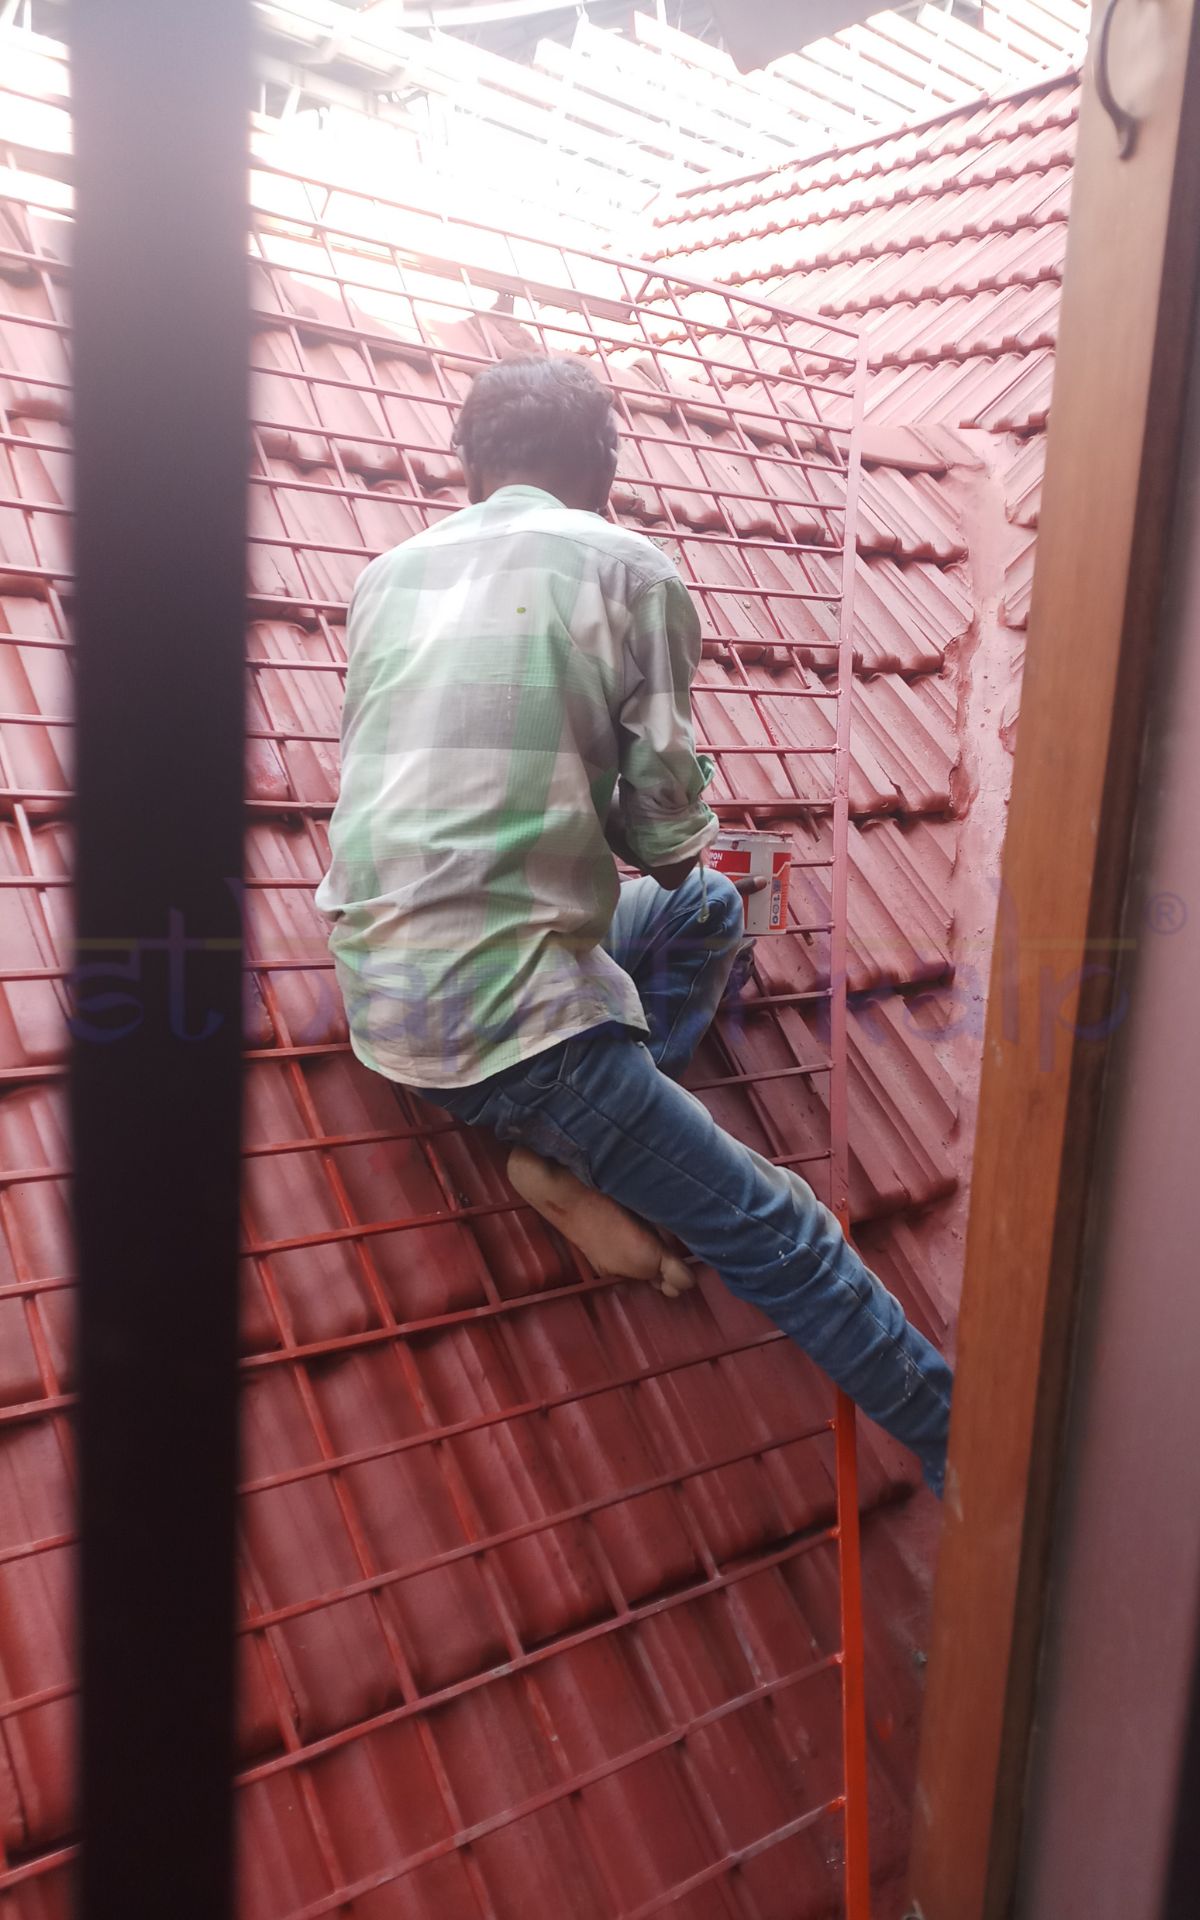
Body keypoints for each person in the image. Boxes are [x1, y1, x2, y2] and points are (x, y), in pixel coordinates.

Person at [316, 355, 953, 1494]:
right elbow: (665, 840)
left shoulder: (386, 576)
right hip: (512, 1029)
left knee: (709, 910)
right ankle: (969, 1452)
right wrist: (634, 789)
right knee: (786, 1233)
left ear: (473, 473)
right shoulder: (629, 568)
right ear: (601, 475)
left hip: (385, 991)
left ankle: (568, 1145)